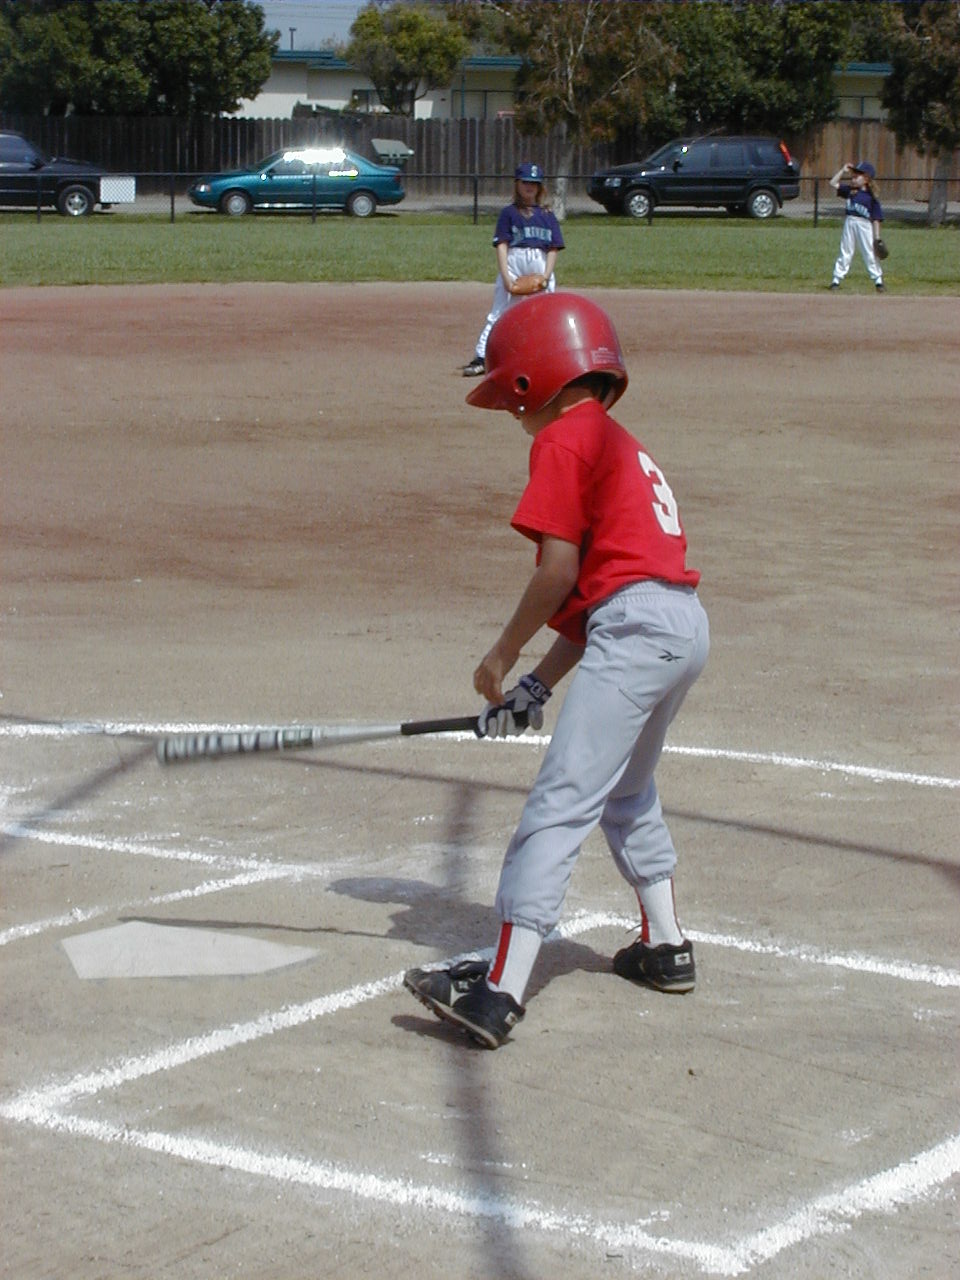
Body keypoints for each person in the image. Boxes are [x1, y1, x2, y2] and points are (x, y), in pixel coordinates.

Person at [406, 292, 709, 1049]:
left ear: (532, 379)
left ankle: (499, 993)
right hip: (679, 627)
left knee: (560, 803)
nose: (513, 412)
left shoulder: (562, 440)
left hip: (635, 631)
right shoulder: (618, 442)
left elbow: (559, 574)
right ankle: (665, 946)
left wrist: (502, 654)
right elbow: (601, 602)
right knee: (626, 789)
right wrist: (536, 687)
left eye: (511, 393)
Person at [461, 162, 565, 377]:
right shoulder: (508, 213)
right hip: (514, 261)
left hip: (540, 264)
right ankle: (481, 357)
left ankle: (547, 357)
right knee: (499, 312)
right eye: (525, 182)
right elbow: (502, 245)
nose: (529, 186)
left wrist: (546, 276)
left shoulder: (548, 215)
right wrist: (507, 277)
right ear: (517, 184)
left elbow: (554, 248)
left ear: (540, 187)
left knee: (545, 314)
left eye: (534, 183)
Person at [829, 160, 885, 292]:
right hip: (849, 223)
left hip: (865, 225)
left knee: (869, 252)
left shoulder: (871, 198)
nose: (853, 178)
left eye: (857, 176)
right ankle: (836, 280)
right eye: (853, 176)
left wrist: (877, 237)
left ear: (866, 179)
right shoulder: (850, 191)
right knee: (846, 251)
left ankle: (878, 281)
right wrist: (842, 171)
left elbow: (876, 219)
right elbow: (833, 183)